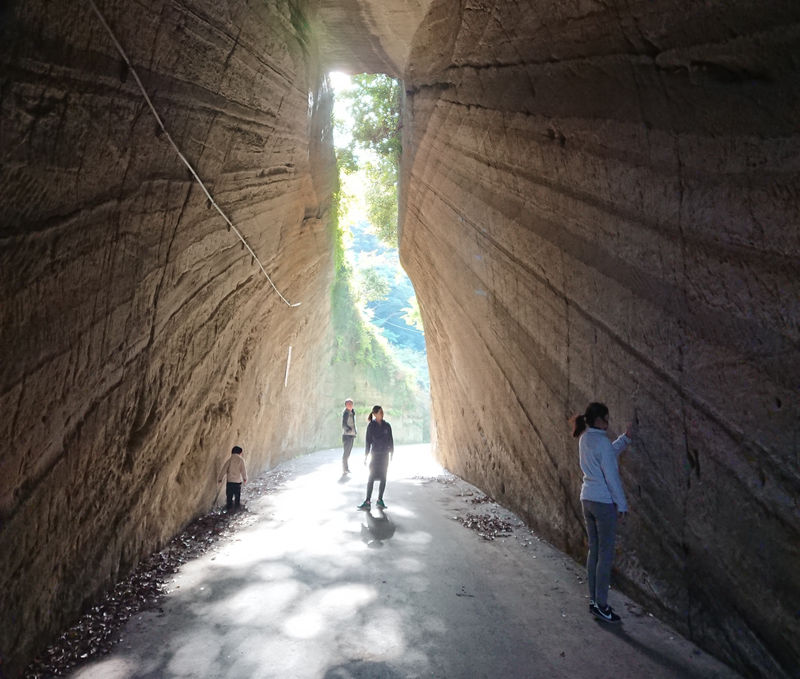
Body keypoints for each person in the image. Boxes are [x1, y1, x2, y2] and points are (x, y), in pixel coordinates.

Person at [571, 402, 632, 623]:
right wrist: (622, 505)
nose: (609, 422)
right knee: (605, 555)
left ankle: (594, 601)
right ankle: (602, 606)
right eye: (606, 418)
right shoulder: (602, 443)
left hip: (586, 499)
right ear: (598, 420)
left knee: (594, 551)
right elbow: (611, 477)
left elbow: (605, 454)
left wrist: (624, 439)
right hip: (603, 503)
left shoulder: (585, 437)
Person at [358, 405, 394, 511]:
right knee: (371, 477)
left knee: (383, 477)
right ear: (374, 414)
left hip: (384, 455)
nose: (382, 414)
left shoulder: (387, 426)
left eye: (382, 412)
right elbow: (368, 442)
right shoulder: (371, 426)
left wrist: (392, 452)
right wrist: (366, 456)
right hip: (375, 455)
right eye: (380, 412)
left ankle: (380, 500)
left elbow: (390, 440)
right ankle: (367, 501)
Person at [218, 445, 247, 511]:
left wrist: (220, 478)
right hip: (237, 482)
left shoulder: (229, 460)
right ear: (240, 453)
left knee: (229, 496)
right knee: (237, 496)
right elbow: (243, 470)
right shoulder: (241, 460)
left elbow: (224, 469)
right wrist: (244, 478)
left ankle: (229, 508)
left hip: (230, 482)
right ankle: (236, 508)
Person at [341, 399, 357, 473]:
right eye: (349, 404)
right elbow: (344, 424)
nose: (350, 405)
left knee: (348, 452)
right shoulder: (346, 413)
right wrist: (349, 429)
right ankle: (345, 468)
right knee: (346, 453)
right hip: (347, 435)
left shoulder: (352, 412)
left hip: (351, 435)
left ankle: (346, 468)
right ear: (346, 405)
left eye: (351, 404)